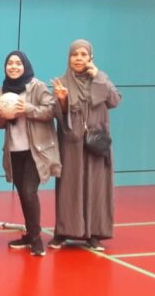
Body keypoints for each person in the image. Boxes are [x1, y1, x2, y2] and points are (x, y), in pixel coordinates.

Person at [50, 39, 121, 252]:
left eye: (83, 54)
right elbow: (57, 116)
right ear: (69, 58)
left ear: (90, 57)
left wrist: (98, 76)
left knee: (96, 187)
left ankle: (93, 233)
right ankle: (63, 231)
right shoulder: (62, 82)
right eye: (74, 55)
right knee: (69, 187)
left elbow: (115, 101)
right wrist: (62, 101)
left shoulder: (101, 78)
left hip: (96, 144)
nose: (78, 59)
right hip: (71, 145)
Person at [0, 50, 61, 256]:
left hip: (35, 152)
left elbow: (51, 111)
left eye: (18, 63)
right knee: (23, 194)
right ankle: (30, 234)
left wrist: (27, 109)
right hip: (15, 151)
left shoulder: (36, 86)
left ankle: (36, 238)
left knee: (30, 192)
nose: (13, 67)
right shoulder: (2, 91)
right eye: (10, 63)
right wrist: (1, 116)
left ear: (25, 66)